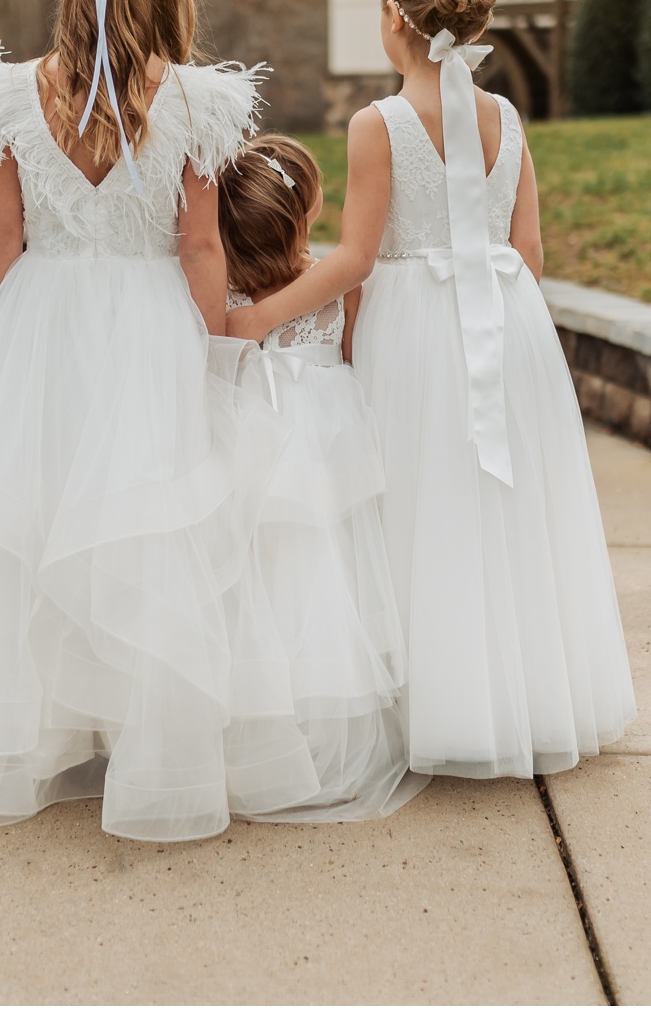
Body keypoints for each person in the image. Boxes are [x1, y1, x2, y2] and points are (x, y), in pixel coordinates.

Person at [0, 0, 326, 842]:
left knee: (30, 521)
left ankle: (12, 738)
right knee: (145, 523)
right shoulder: (193, 101)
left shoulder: (16, 95)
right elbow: (196, 245)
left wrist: (27, 321)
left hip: (42, 311)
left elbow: (2, 234)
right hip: (151, 320)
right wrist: (212, 344)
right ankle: (149, 746)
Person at [228, 0, 636, 779]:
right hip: (507, 319)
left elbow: (354, 259)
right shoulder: (510, 118)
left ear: (392, 17)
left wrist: (257, 318)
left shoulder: (376, 124)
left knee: (418, 505)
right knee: (504, 506)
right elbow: (529, 251)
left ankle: (431, 703)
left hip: (416, 327)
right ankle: (520, 695)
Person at [216, 136, 427, 821]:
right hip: (326, 448)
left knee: (251, 583)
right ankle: (324, 744)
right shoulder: (341, 285)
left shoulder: (223, 298)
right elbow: (359, 356)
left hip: (250, 445)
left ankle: (246, 739)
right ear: (304, 216)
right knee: (325, 581)